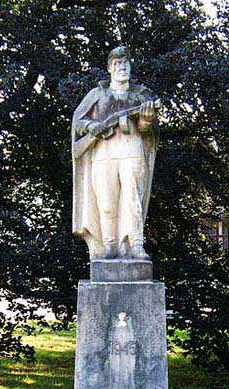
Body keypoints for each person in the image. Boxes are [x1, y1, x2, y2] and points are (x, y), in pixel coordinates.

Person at [72, 46, 158, 260]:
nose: (122, 68)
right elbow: (78, 122)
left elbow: (148, 131)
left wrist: (146, 119)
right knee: (106, 202)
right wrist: (92, 127)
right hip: (103, 152)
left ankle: (135, 245)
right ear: (109, 68)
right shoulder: (97, 94)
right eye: (117, 64)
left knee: (133, 201)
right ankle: (109, 244)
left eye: (125, 64)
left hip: (132, 149)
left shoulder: (141, 95)